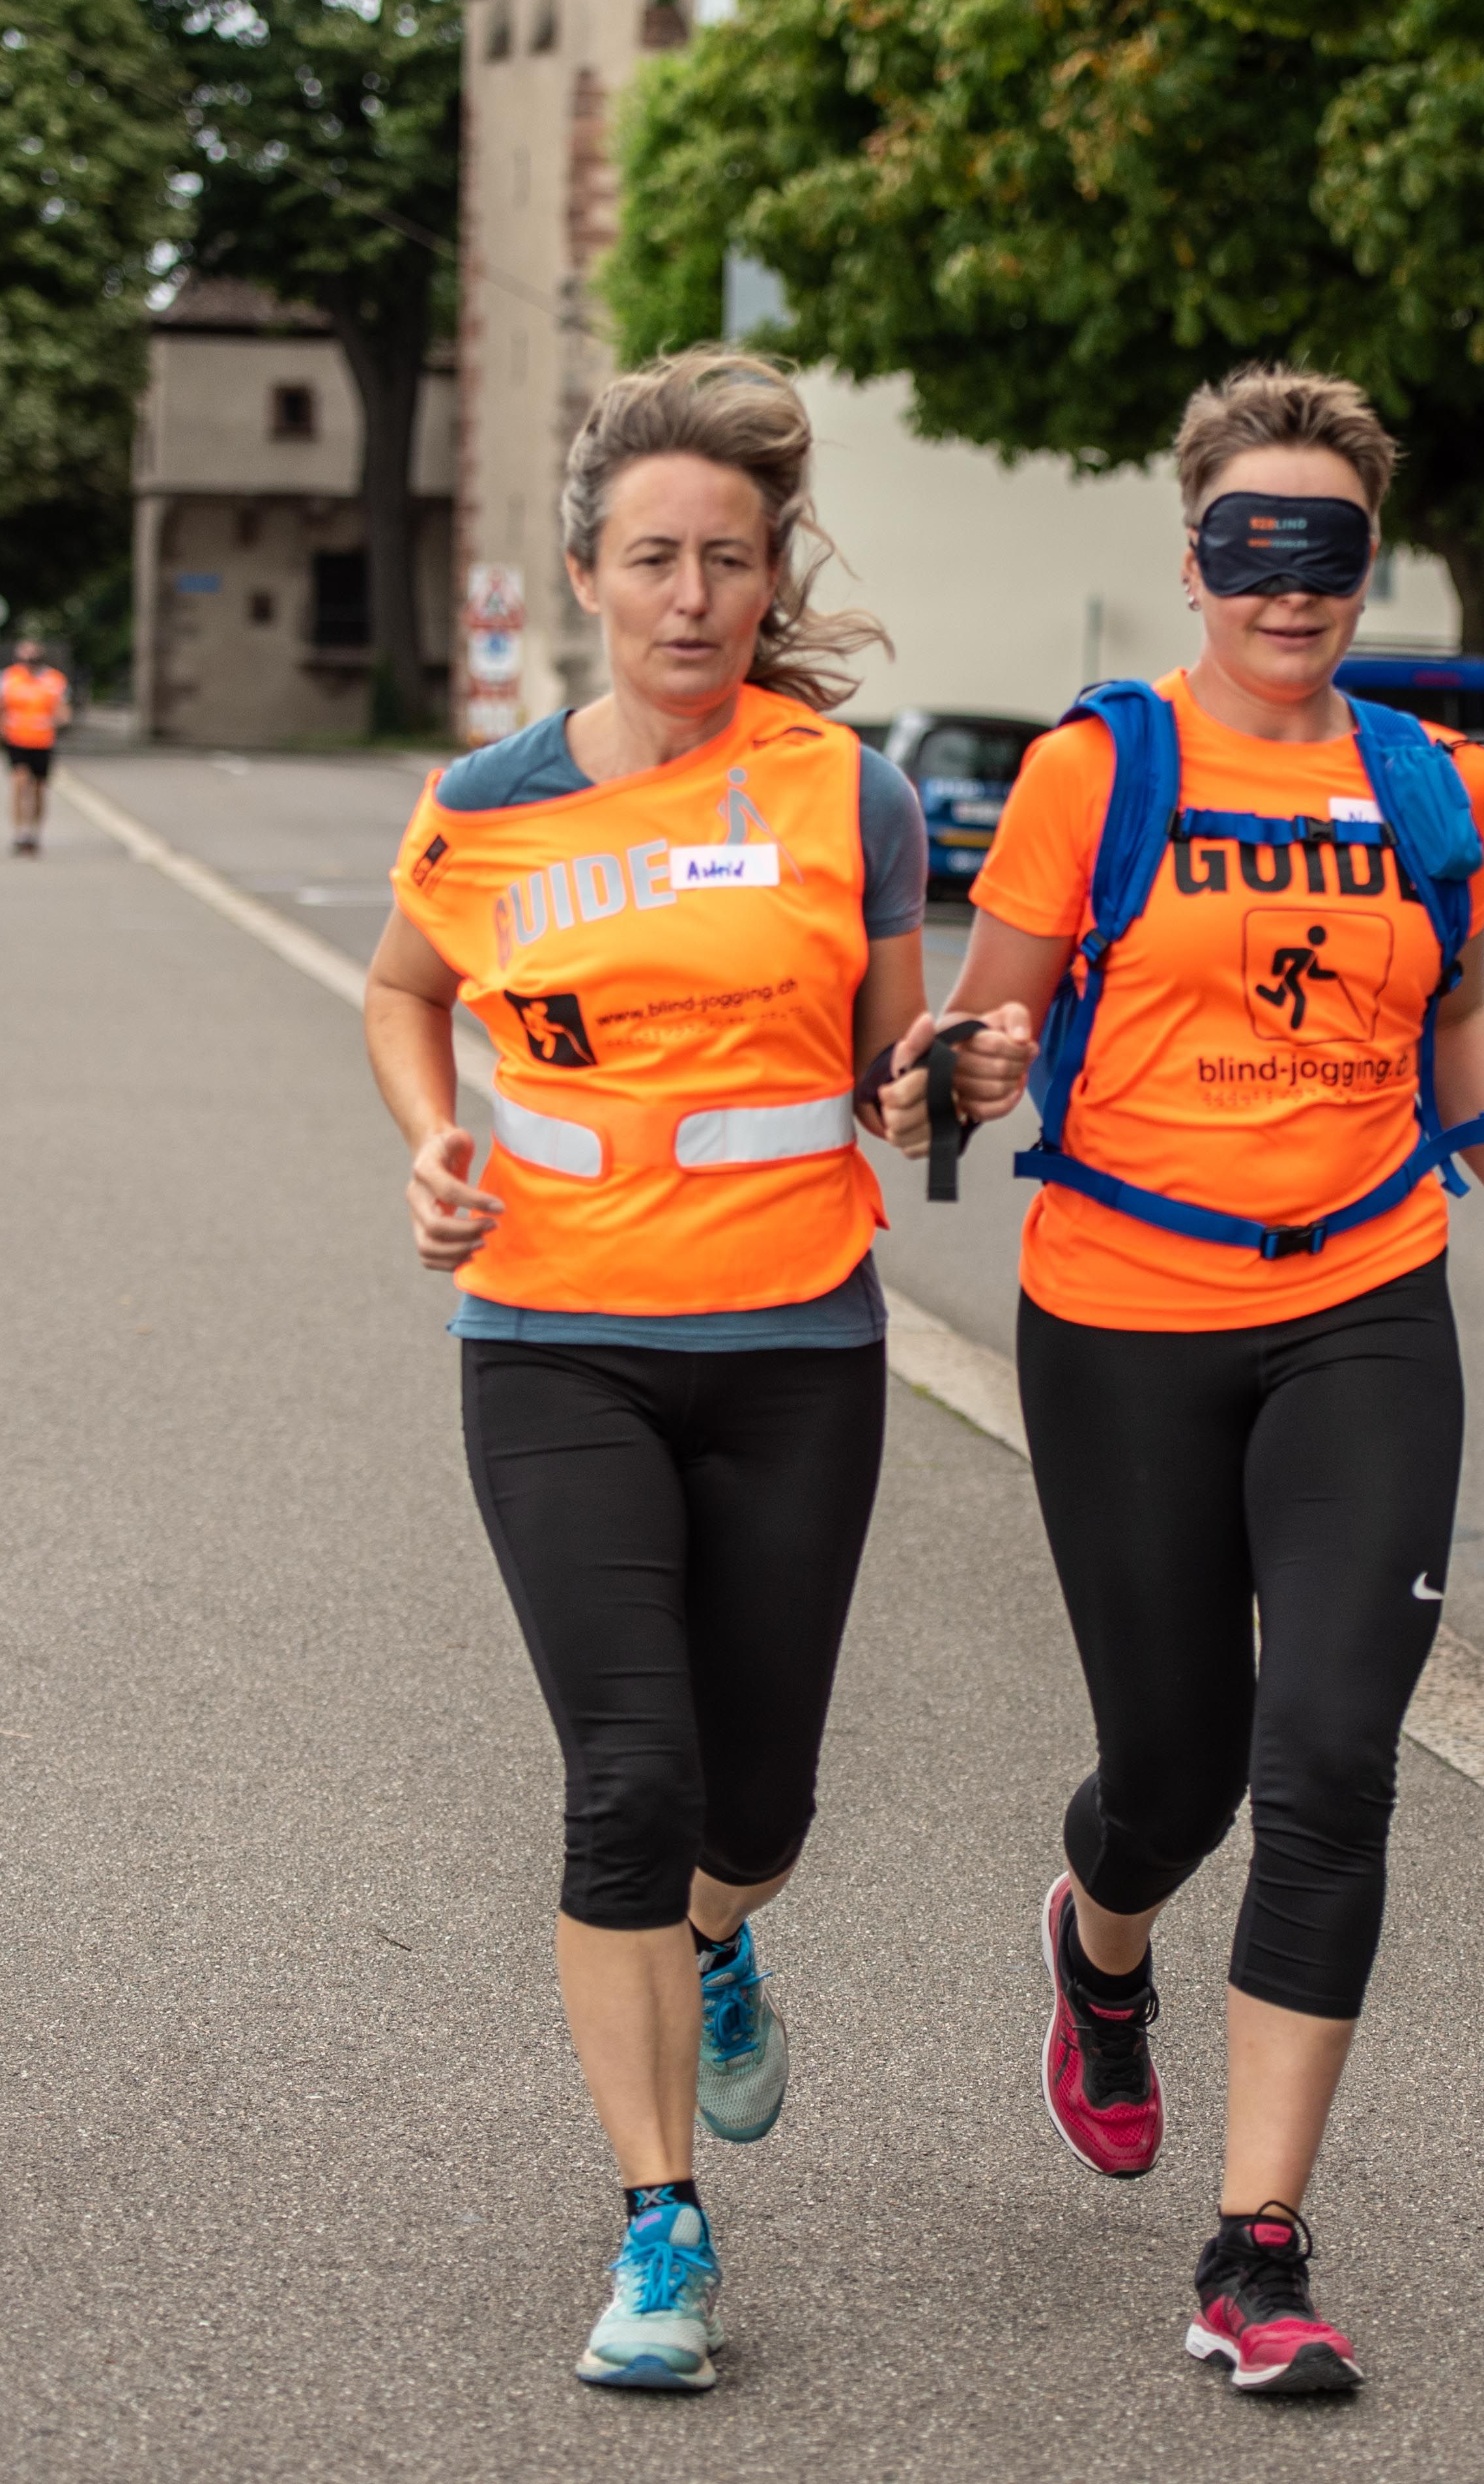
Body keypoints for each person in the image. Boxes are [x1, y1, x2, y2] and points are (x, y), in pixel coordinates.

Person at [887, 364, 1484, 2397]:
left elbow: (1452, 1021)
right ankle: (1096, 1936)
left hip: (1360, 1298)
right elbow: (978, 1026)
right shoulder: (1096, 769)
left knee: (1331, 1760)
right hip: (1119, 1309)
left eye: (1327, 552)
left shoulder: (1432, 788)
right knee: (1179, 1773)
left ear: (1367, 561)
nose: (1286, 589)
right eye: (1247, 548)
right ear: (1193, 556)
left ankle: (1256, 2245)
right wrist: (972, 1066)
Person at [362, 349, 935, 2394]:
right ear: (589, 572)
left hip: (796, 1340)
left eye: (730, 559)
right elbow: (402, 990)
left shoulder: (850, 796)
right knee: (626, 1783)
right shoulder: (492, 807)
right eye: (653, 558)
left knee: (753, 1801)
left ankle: (721, 1934)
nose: (691, 594)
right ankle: (659, 2229)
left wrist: (955, 1078)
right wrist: (432, 1136)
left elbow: (896, 1080)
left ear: (771, 577)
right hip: (552, 1340)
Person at [0, 639, 70, 855]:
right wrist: (1, 728)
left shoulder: (55, 680)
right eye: (24, 659)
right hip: (17, 740)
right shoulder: (9, 678)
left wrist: (57, 721)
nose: (28, 664)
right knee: (19, 783)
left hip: (42, 741)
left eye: (33, 659)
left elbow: (64, 711)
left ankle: (35, 832)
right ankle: (20, 833)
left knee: (38, 789)